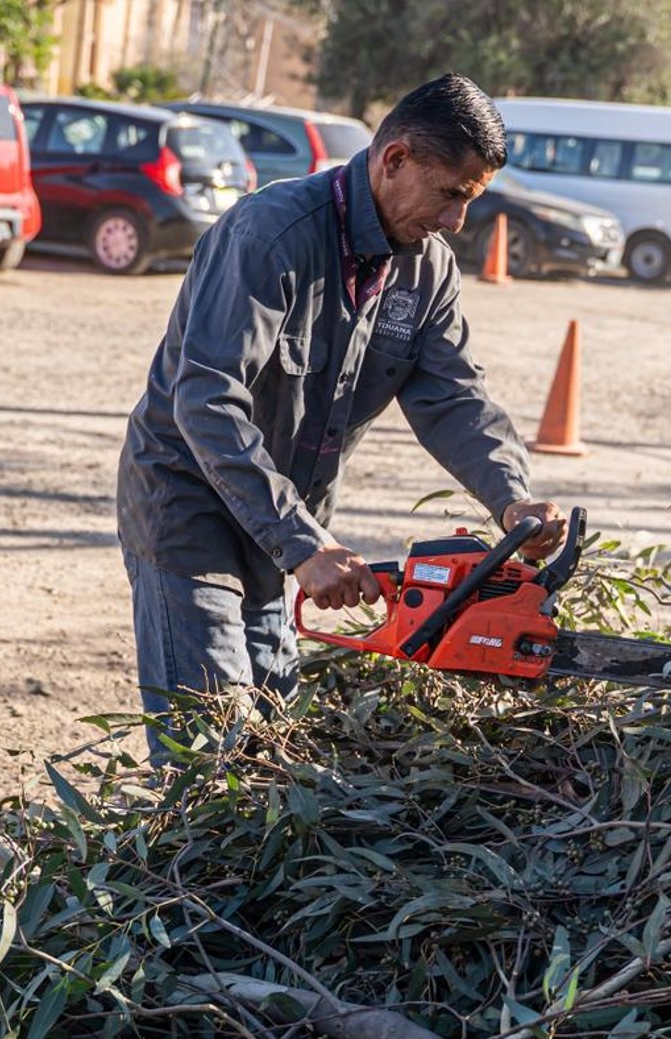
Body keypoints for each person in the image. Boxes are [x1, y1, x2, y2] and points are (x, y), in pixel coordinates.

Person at [115, 73, 566, 756]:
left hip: (285, 531)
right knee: (213, 750)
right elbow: (207, 399)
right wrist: (304, 545)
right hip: (189, 510)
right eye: (451, 195)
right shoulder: (270, 236)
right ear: (395, 160)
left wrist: (512, 500)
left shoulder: (428, 271)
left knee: (277, 737)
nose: (456, 222)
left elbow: (453, 396)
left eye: (470, 202)